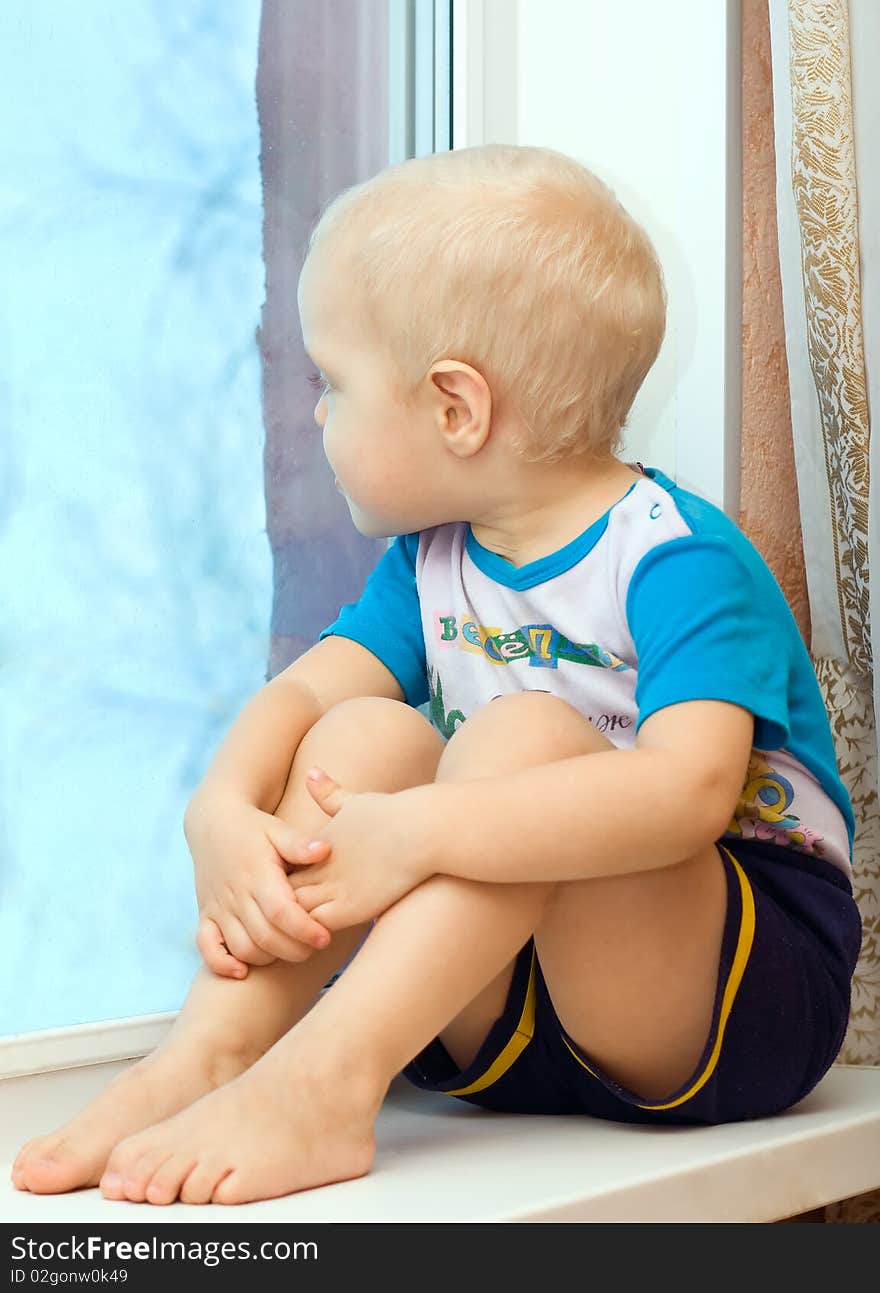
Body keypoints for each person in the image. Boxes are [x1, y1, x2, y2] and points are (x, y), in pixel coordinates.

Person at [11, 143, 861, 1207]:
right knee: (362, 731)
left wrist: (409, 835)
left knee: (524, 737)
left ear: (455, 407)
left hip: (725, 1007)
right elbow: (304, 696)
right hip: (502, 1023)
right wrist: (220, 809)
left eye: (334, 382)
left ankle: (327, 1082)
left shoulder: (677, 560)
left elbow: (685, 797)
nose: (318, 414)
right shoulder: (431, 560)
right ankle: (214, 1054)